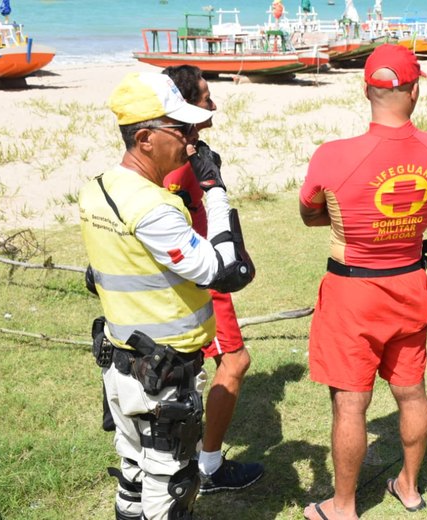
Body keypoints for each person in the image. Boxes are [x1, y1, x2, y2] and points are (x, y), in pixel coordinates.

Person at [79, 71, 254, 520]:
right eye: (180, 131)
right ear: (144, 138)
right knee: (170, 482)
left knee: (134, 473)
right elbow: (224, 270)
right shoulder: (155, 208)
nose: (188, 143)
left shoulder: (97, 190)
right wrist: (214, 190)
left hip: (123, 361)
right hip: (162, 372)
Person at [298, 44, 427, 520]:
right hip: (409, 284)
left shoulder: (333, 155)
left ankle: (343, 506)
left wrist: (348, 223)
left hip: (353, 291)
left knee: (350, 404)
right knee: (411, 390)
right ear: (415, 89)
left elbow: (310, 214)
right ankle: (408, 486)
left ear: (366, 89)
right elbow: (420, 210)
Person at [160, 65, 264, 494]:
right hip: (202, 276)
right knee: (235, 363)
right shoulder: (181, 163)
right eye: (206, 98)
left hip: (197, 270)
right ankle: (209, 466)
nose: (215, 104)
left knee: (182, 368)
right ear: (184, 105)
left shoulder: (180, 150)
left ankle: (178, 457)